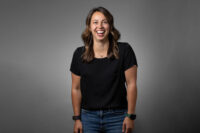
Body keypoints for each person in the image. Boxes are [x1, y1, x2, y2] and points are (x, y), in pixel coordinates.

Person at [70, 6, 138, 133]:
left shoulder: (124, 50)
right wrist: (77, 119)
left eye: (104, 22)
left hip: (118, 117)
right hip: (88, 118)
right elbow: (76, 88)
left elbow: (131, 84)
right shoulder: (79, 54)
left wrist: (130, 116)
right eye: (95, 22)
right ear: (89, 27)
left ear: (110, 26)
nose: (100, 26)